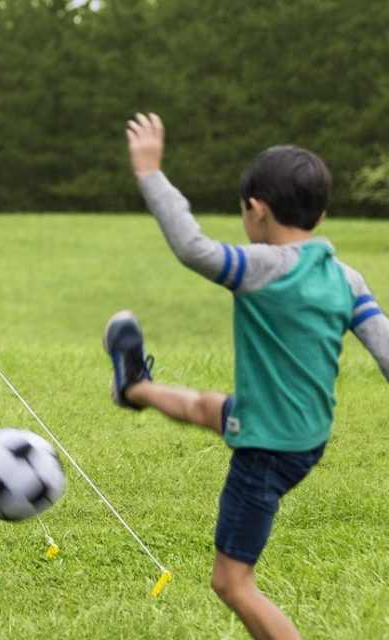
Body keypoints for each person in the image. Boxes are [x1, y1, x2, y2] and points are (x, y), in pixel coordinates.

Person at [106, 113, 389, 639]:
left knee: (232, 583)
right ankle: (132, 386)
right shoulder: (346, 279)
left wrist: (150, 173)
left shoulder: (262, 267)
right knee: (206, 407)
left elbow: (193, 247)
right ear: (321, 212)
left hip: (266, 450)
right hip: (304, 435)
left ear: (256, 210)